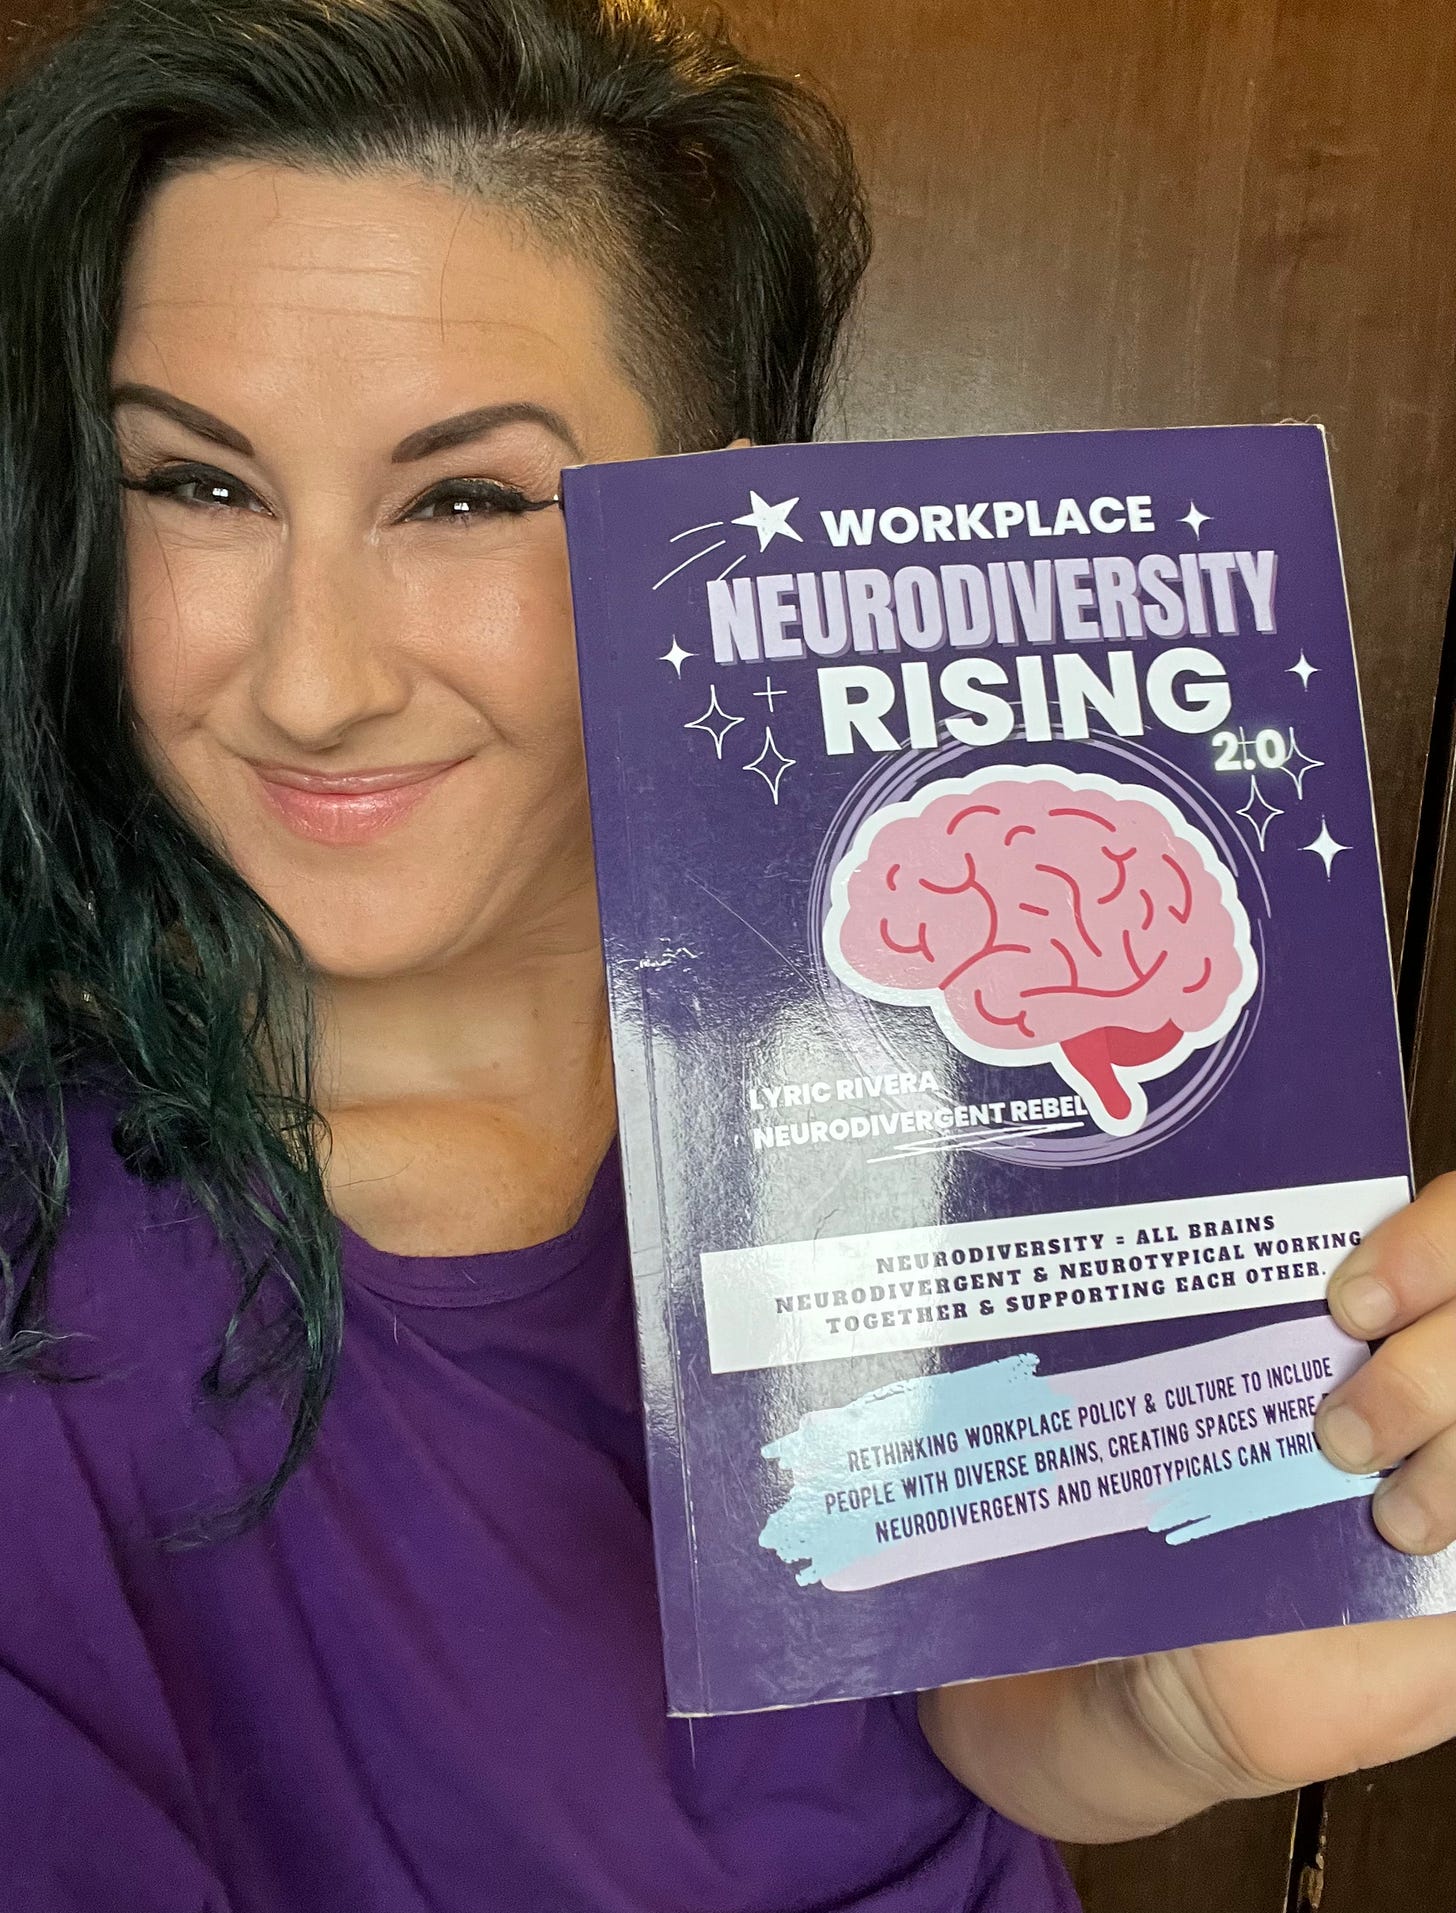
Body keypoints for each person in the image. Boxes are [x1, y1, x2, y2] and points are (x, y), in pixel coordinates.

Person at [0, 1, 1453, 1908]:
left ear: (717, 528)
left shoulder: (954, 1087)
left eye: (462, 497)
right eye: (199, 483)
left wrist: (1181, 1700)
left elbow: (970, 1707)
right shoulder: (49, 1274)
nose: (311, 681)